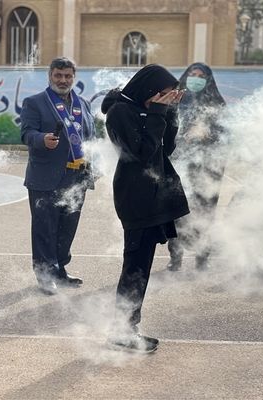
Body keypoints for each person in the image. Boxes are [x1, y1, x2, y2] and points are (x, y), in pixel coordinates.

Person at [100, 64, 189, 353]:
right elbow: (142, 152)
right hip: (135, 197)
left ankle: (128, 327)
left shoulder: (149, 111)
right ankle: (121, 331)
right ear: (148, 90)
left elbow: (166, 149)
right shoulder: (119, 113)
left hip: (154, 196)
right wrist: (158, 113)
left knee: (142, 267)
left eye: (169, 97)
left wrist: (170, 113)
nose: (164, 100)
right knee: (135, 268)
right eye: (162, 95)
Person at [20, 57, 97, 295]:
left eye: (67, 76)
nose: (63, 80)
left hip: (77, 177)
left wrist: (94, 166)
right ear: (50, 76)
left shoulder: (83, 103)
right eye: (58, 76)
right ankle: (45, 275)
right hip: (45, 177)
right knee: (45, 227)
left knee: (67, 227)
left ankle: (60, 269)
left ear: (74, 77)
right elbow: (26, 134)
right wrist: (41, 139)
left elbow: (90, 137)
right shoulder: (34, 103)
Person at [166, 62, 227, 271]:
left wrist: (208, 135)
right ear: (186, 76)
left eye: (202, 75)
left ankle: (202, 258)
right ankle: (175, 257)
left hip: (207, 170)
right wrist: (183, 136)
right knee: (177, 213)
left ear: (208, 80)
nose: (197, 78)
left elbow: (225, 137)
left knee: (205, 213)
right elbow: (164, 130)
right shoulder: (175, 101)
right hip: (180, 166)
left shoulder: (217, 103)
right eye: (194, 74)